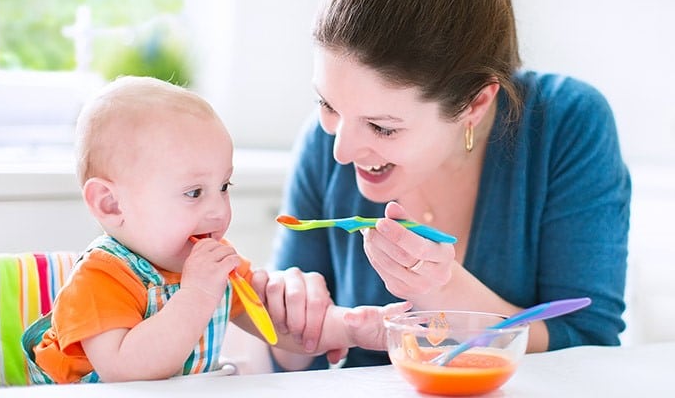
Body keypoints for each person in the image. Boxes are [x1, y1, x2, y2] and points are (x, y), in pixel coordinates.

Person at [267, 0, 631, 370]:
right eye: (327, 103)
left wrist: (441, 291)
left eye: (382, 127)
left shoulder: (567, 125)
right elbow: (286, 361)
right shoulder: (323, 143)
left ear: (475, 104)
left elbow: (589, 341)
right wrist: (289, 326)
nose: (341, 150)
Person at [21, 76, 408, 383]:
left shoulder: (213, 264)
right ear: (111, 204)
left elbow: (282, 325)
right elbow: (125, 370)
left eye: (224, 187)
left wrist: (356, 327)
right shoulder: (99, 280)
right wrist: (197, 294)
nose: (219, 210)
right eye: (194, 193)